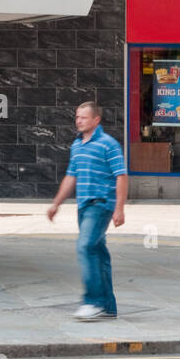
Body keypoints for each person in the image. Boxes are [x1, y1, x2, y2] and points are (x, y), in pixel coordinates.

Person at [45, 102, 128, 321]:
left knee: (85, 246)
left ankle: (93, 301)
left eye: (83, 117)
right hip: (83, 206)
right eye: (77, 117)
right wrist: (56, 203)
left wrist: (119, 208)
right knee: (98, 253)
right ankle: (108, 306)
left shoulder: (108, 144)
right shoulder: (77, 145)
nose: (78, 120)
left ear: (96, 120)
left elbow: (121, 175)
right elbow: (71, 176)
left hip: (101, 204)